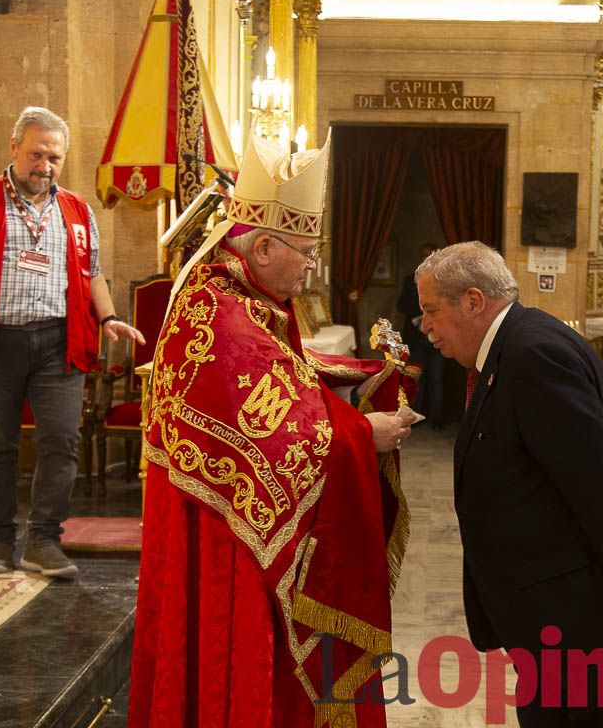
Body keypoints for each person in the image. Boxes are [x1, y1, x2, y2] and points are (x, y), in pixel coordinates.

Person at [128, 130, 417, 728]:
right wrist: (364, 434)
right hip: (224, 542)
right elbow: (275, 430)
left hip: (230, 529)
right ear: (261, 247)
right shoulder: (215, 309)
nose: (313, 265)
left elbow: (289, 379)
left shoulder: (242, 296)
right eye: (305, 249)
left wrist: (361, 383)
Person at [416, 241, 603, 726]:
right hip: (553, 617)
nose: (425, 326)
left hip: (586, 624)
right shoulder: (513, 347)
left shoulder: (532, 354)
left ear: (474, 301)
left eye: (432, 311)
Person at [0, 106, 145, 580]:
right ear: (14, 148)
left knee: (62, 442)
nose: (44, 166)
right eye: (36, 154)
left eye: (54, 158)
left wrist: (108, 317)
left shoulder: (78, 210)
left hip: (59, 342)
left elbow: (93, 273)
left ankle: (44, 541)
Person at [396, 243, 444, 426]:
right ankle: (415, 417)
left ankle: (437, 418)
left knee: (436, 377)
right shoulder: (410, 280)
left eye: (430, 255)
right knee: (415, 377)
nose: (427, 258)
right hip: (414, 337)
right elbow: (401, 305)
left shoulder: (444, 283)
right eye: (424, 255)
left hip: (437, 335)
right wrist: (420, 309)